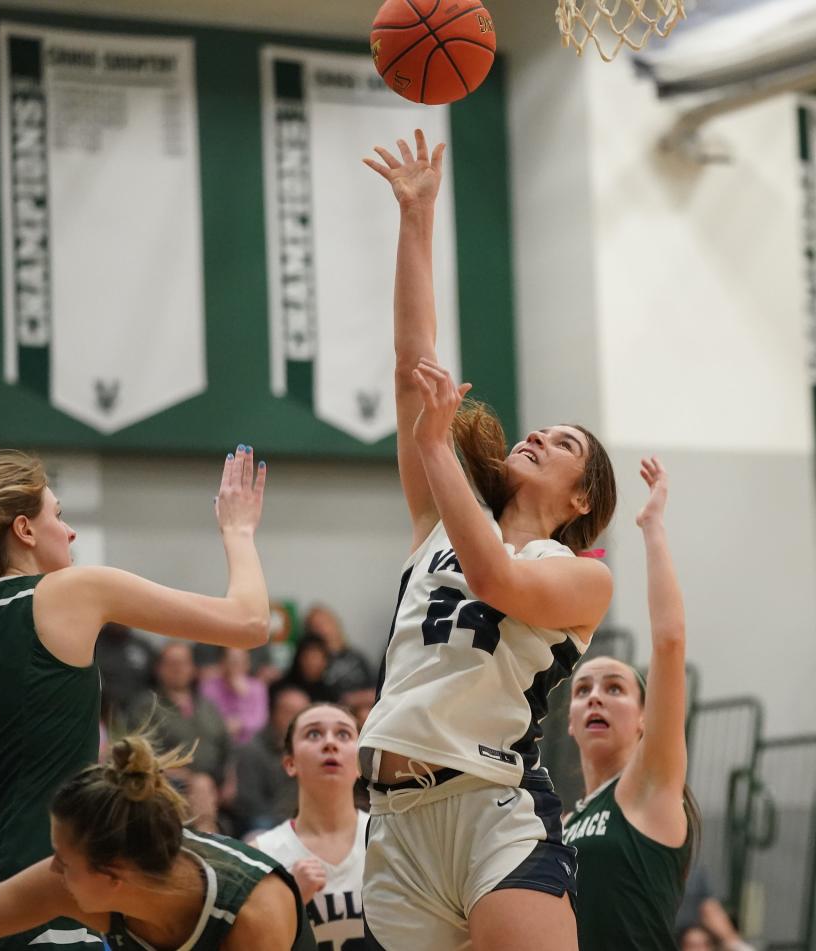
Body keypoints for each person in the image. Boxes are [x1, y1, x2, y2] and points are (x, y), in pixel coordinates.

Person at [358, 130, 616, 951]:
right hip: (395, 820)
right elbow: (413, 369)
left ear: (581, 498)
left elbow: (496, 579)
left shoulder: (578, 575)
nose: (537, 434)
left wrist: (437, 450)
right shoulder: (437, 519)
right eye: (538, 428)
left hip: (490, 805)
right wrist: (417, 218)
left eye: (563, 443)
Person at [0, 446, 270, 950]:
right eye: (59, 514)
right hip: (46, 898)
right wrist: (239, 531)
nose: (70, 531)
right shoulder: (72, 592)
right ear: (24, 530)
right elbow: (249, 623)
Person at [0, 736, 316, 950]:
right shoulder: (84, 881)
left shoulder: (255, 913)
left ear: (113, 877)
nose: (51, 868)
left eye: (62, 859)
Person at [564, 458, 698, 949]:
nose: (595, 695)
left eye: (615, 688)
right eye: (583, 691)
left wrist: (652, 528)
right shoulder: (562, 822)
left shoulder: (651, 787)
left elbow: (669, 641)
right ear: (571, 725)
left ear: (645, 720)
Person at [252, 703, 366, 951]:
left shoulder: (387, 839)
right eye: (313, 734)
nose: (329, 743)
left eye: (343, 734)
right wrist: (289, 902)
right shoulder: (261, 854)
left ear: (359, 763)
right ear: (290, 763)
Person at [130, 642, 231, 784]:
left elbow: (226, 746)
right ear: (159, 668)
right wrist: (187, 779)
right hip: (168, 785)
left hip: (214, 784)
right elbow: (142, 757)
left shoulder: (208, 706)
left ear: (193, 668)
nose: (178, 669)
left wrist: (229, 780)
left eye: (184, 663)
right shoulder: (147, 707)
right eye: (172, 663)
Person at [234, 683, 311, 836]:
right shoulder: (252, 750)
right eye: (289, 712)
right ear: (273, 714)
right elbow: (249, 804)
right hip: (266, 824)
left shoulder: (313, 750)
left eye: (302, 714)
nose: (295, 720)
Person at [199, 647, 269, 746]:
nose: (236, 665)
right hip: (216, 739)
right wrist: (224, 725)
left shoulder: (257, 687)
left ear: (248, 663)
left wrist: (243, 697)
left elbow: (260, 719)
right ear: (222, 663)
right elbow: (206, 716)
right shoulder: (209, 685)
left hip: (248, 743)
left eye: (240, 661)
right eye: (232, 661)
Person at [302, 606, 373, 698]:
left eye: (326, 623)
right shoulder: (313, 662)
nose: (323, 630)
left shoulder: (357, 658)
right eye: (316, 626)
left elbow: (375, 688)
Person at [278, 635, 338, 704]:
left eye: (316, 658)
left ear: (325, 662)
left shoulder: (330, 695)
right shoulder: (281, 689)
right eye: (307, 657)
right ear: (299, 658)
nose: (311, 663)